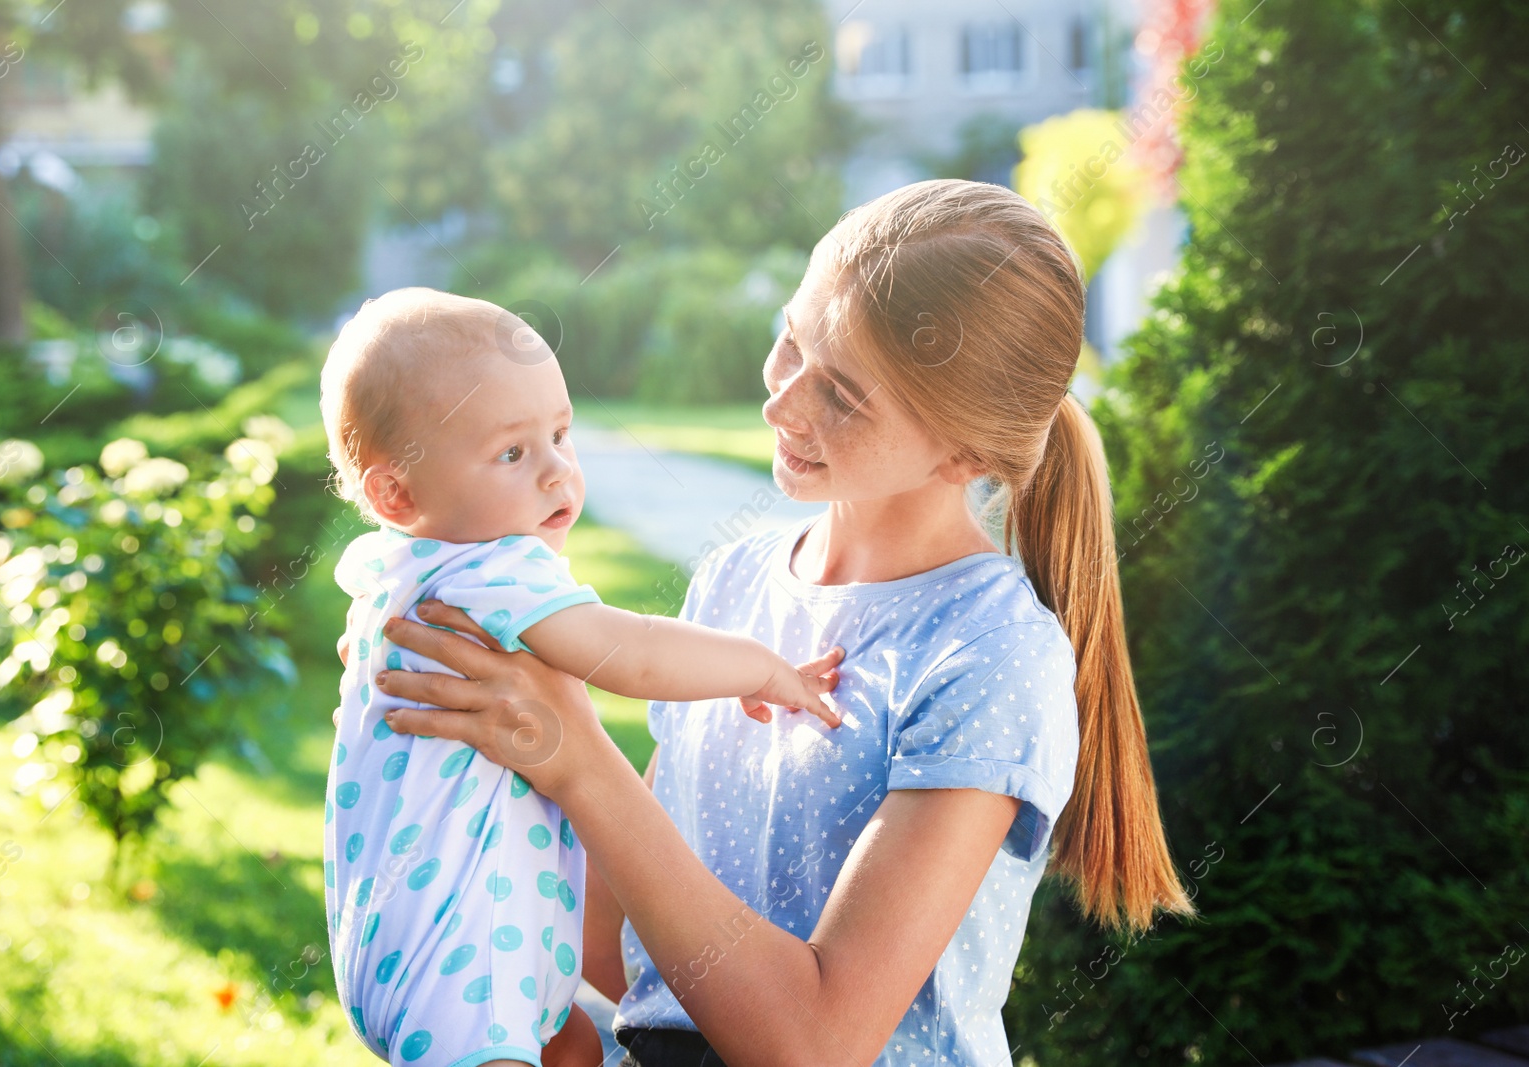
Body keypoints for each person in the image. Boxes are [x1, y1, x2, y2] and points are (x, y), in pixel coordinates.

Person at [369, 180, 1194, 1066]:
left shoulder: (989, 655)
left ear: (964, 452)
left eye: (840, 394)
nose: (782, 403)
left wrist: (578, 759)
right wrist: (454, 715)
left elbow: (816, 1042)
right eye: (790, 340)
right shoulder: (735, 582)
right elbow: (620, 946)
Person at [321, 288, 839, 1067]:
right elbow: (632, 652)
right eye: (512, 453)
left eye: (561, 435)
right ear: (397, 492)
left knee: (572, 1045)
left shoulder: (387, 579)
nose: (557, 471)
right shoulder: (494, 571)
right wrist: (761, 666)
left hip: (399, 950)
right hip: (472, 964)